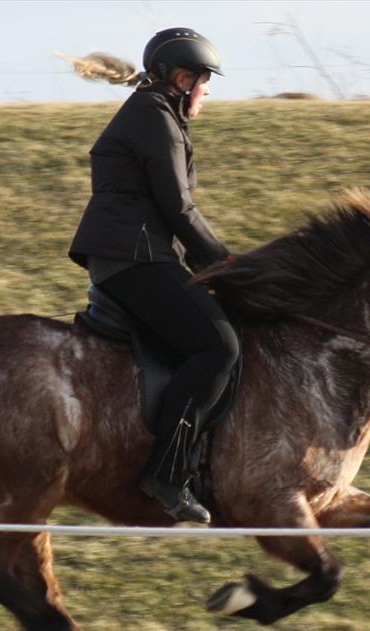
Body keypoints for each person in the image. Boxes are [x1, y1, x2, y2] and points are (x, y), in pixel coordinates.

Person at [67, 28, 238, 524]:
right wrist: (226, 264)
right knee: (218, 347)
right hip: (135, 259)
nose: (208, 91)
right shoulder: (154, 117)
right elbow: (178, 207)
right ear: (182, 79)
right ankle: (167, 473)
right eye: (205, 81)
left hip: (138, 255)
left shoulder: (156, 114)